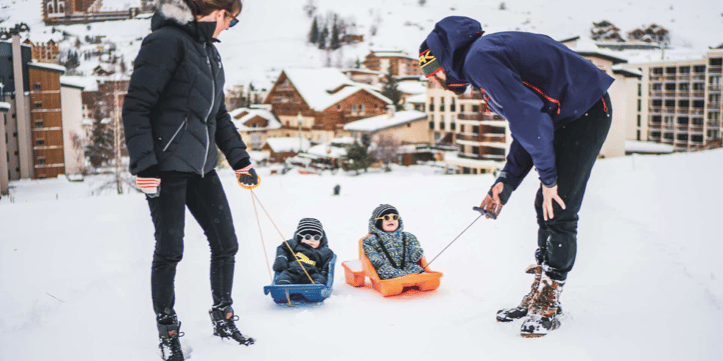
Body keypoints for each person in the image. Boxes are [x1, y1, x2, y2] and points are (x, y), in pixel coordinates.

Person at [420, 16, 614, 337]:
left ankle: (550, 299)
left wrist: (550, 180)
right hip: (566, 115)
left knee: (559, 205)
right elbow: (526, 126)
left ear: (443, 64)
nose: (433, 81)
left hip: (586, 110)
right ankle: (541, 291)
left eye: (432, 74)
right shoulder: (481, 60)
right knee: (545, 206)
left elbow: (528, 120)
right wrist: (505, 183)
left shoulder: (480, 60)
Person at [122, 0, 258, 359]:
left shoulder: (208, 51)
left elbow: (218, 115)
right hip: (164, 168)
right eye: (232, 20)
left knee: (226, 242)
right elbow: (136, 106)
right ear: (218, 13)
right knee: (170, 250)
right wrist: (145, 166)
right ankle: (168, 332)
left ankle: (223, 316)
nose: (230, 27)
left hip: (201, 167)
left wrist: (240, 160)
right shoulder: (166, 41)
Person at [362, 204, 425, 279]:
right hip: (386, 268)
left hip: (406, 265)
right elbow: (370, 251)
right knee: (387, 272)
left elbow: (413, 245)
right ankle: (402, 279)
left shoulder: (408, 236)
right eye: (386, 217)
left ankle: (422, 278)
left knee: (417, 270)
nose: (390, 220)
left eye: (394, 217)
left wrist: (415, 251)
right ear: (378, 222)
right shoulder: (371, 240)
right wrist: (375, 258)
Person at [272, 218, 335, 285]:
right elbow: (282, 248)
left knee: (320, 279)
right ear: (300, 237)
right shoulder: (293, 245)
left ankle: (316, 287)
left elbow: (327, 263)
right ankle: (284, 286)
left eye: (316, 238)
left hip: (312, 273)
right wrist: (281, 259)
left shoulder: (324, 251)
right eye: (307, 237)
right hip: (292, 270)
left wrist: (323, 273)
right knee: (284, 276)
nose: (312, 240)